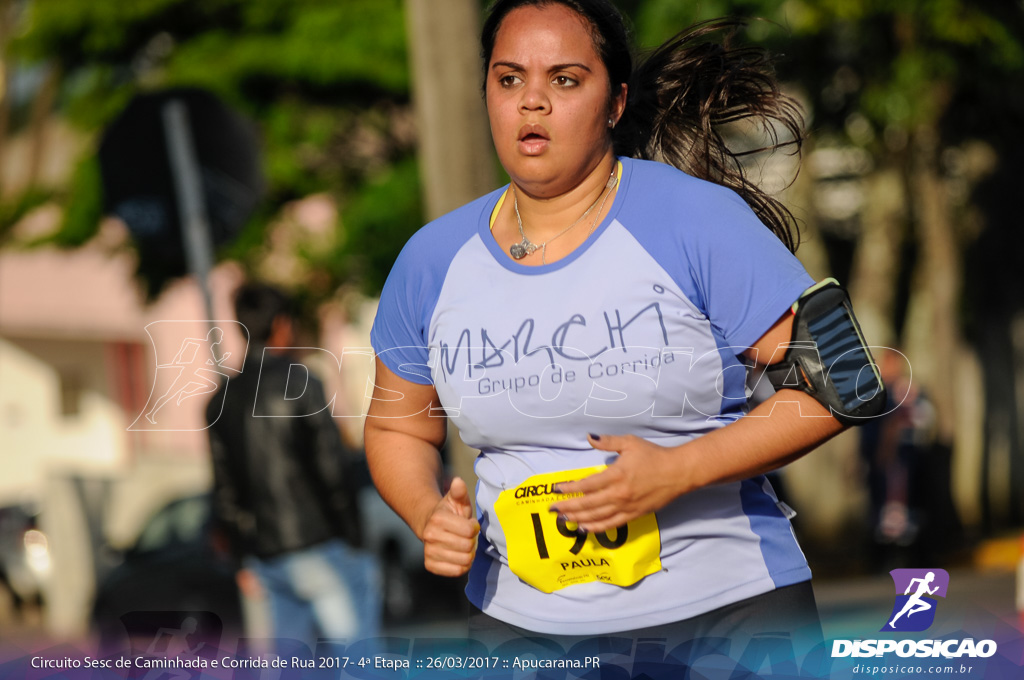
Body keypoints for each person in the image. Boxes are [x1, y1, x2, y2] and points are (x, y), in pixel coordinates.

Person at [365, 0, 867, 656]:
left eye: (565, 80)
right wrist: (427, 514)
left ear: (616, 101)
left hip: (724, 615)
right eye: (509, 79)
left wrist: (679, 471)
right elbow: (396, 426)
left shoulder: (695, 218)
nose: (532, 103)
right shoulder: (432, 260)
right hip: (525, 633)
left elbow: (844, 381)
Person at [207, 283, 380, 653]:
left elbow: (225, 492)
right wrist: (354, 539)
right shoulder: (302, 383)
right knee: (358, 657)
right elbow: (333, 470)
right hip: (320, 543)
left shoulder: (221, 401)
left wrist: (242, 559)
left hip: (267, 557)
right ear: (283, 325)